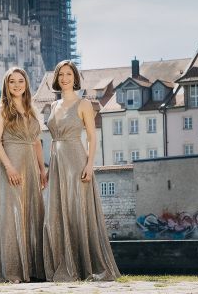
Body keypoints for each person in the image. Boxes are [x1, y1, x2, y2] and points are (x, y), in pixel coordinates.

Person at [43, 60, 120, 281]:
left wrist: (89, 165)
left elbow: (92, 136)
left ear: (75, 78)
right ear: (57, 79)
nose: (65, 78)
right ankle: (64, 264)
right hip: (57, 162)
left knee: (79, 210)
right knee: (57, 214)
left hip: (77, 160)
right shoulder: (53, 106)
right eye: (61, 75)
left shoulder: (84, 104)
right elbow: (52, 139)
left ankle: (85, 264)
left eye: (68, 74)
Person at [0, 67, 47, 283]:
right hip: (11, 164)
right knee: (11, 215)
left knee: (31, 214)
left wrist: (42, 169)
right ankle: (12, 270)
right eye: (12, 82)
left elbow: (37, 142)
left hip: (30, 165)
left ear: (26, 84)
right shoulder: (2, 110)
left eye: (21, 81)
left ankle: (32, 269)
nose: (17, 85)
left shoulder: (32, 110)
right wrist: (9, 167)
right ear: (6, 86)